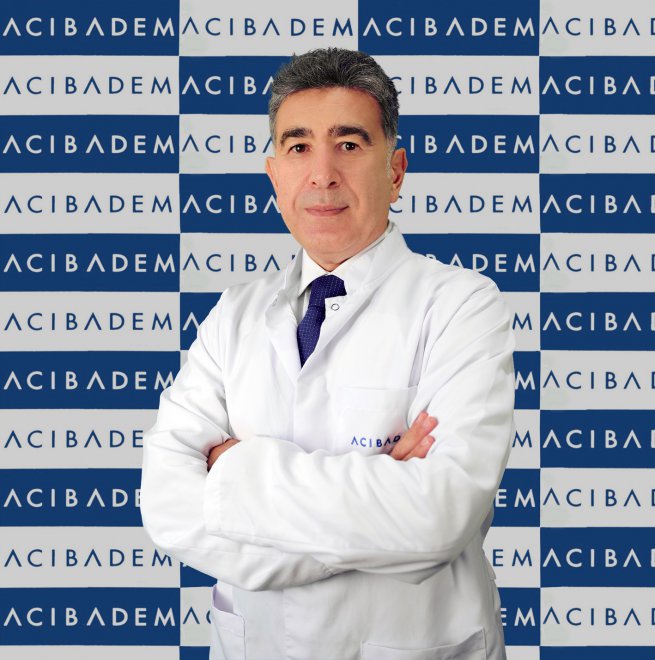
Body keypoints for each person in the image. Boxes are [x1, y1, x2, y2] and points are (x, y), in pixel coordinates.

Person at [140, 48, 516, 660]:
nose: (321, 174)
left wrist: (234, 473)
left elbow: (436, 518)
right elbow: (167, 508)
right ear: (274, 176)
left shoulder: (462, 306)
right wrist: (378, 508)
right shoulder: (234, 314)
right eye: (298, 147)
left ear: (395, 170)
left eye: (348, 144)